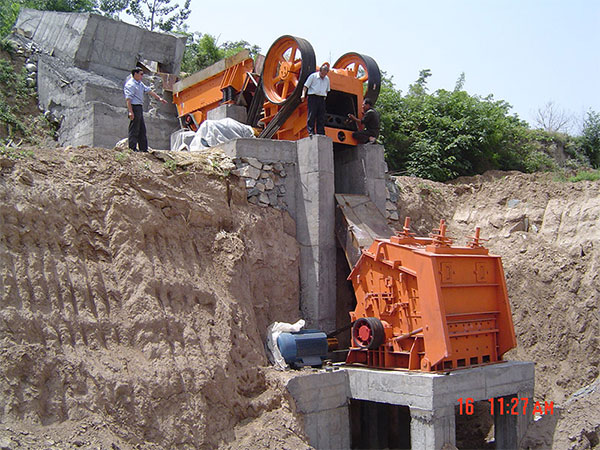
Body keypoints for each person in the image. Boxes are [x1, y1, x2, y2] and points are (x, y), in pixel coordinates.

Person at [123, 68, 168, 152]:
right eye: (141, 74)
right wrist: (130, 111)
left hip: (139, 107)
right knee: (134, 128)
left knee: (142, 128)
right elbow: (128, 99)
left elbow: (149, 90)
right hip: (134, 107)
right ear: (135, 74)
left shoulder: (140, 83)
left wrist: (159, 98)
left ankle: (143, 148)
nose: (142, 76)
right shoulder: (130, 85)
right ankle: (132, 148)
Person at [300, 63, 330, 136]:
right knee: (312, 115)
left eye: (325, 74)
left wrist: (324, 97)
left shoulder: (327, 79)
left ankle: (321, 132)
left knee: (321, 116)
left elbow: (327, 90)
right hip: (313, 97)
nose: (323, 75)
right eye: (322, 73)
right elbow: (305, 86)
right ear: (320, 71)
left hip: (321, 98)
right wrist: (303, 95)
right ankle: (311, 131)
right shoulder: (313, 76)